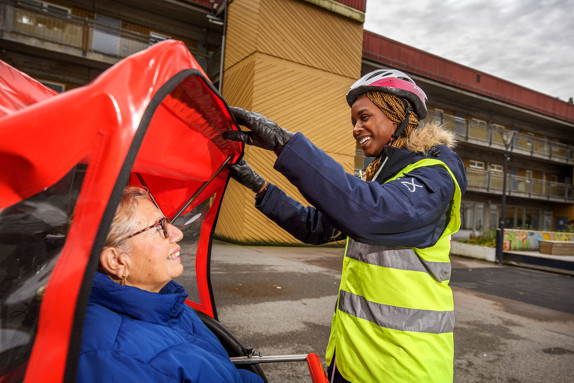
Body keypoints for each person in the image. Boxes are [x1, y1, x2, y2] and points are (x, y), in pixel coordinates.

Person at [223, 69, 467, 382]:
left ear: (397, 113)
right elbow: (317, 226)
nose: (356, 128)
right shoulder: (381, 180)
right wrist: (257, 184)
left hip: (405, 369)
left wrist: (285, 143)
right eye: (353, 120)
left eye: (364, 117)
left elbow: (372, 213)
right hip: (352, 361)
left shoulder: (435, 175)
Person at [76, 187, 263, 383]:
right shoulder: (114, 359)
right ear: (116, 261)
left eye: (166, 222)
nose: (177, 233)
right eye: (159, 227)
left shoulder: (166, 303)